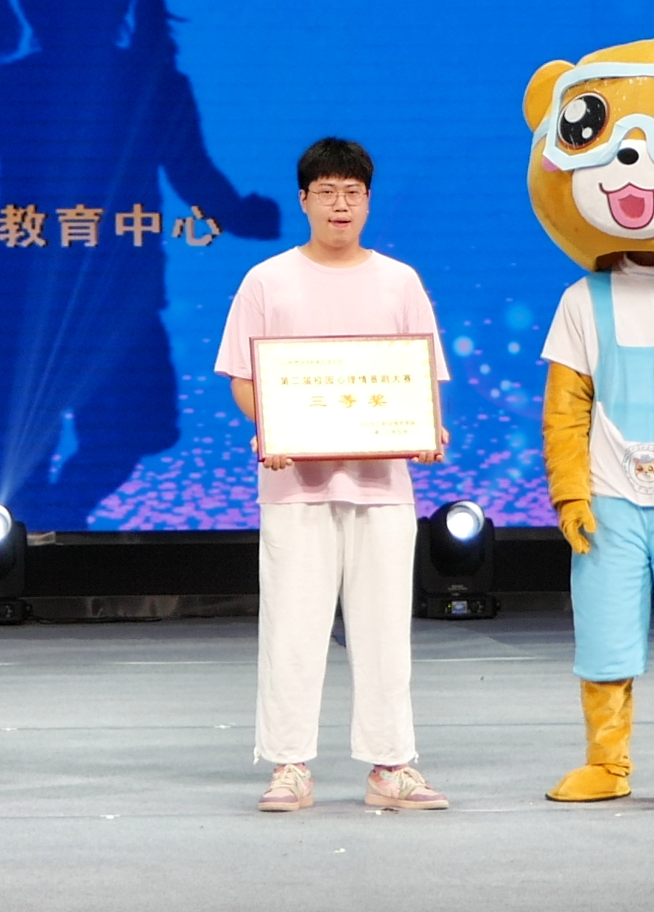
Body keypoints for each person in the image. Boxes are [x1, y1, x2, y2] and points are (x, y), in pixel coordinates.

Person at [0, 0, 278, 529]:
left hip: (97, 293)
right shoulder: (23, 87)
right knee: (48, 435)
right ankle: (34, 532)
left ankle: (43, 524)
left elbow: (194, 177)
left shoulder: (143, 86)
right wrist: (245, 215)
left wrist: (241, 214)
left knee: (105, 433)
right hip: (54, 293)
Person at [212, 138, 451, 814]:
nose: (339, 204)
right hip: (295, 485)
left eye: (351, 192)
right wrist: (273, 431)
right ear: (303, 200)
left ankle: (390, 766)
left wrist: (428, 431)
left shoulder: (399, 281)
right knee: (291, 629)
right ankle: (289, 765)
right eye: (326, 192)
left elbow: (422, 378)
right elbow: (242, 378)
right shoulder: (267, 280)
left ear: (368, 201)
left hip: (382, 486)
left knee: (385, 631)